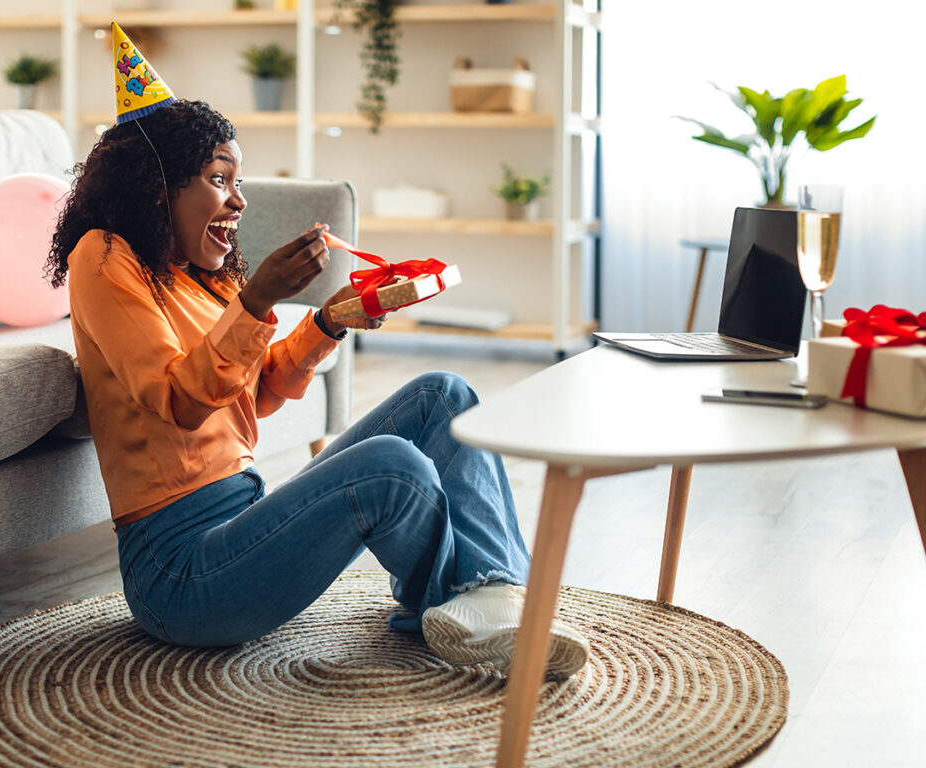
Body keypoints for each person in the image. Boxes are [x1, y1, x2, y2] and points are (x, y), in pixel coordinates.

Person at [44, 28, 588, 678]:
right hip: (180, 575)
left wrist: (330, 319)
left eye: (238, 181)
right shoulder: (103, 257)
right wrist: (259, 299)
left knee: (444, 393)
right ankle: (470, 602)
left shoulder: (204, 275)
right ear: (156, 189)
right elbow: (180, 401)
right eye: (219, 180)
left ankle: (489, 597)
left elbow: (255, 394)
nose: (240, 202)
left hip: (241, 522)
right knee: (391, 467)